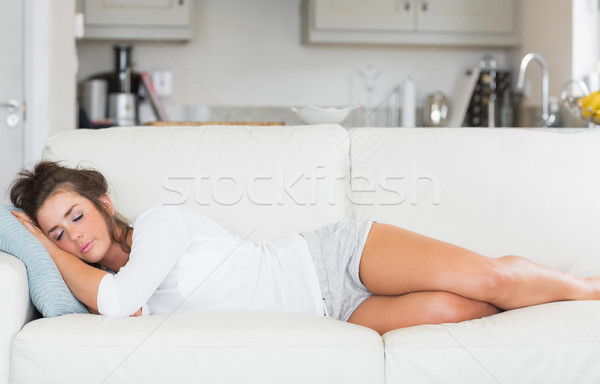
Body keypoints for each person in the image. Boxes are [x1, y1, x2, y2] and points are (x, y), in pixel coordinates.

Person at [9, 161, 600, 335]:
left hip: (332, 258)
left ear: (105, 204)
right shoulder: (113, 292)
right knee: (459, 312)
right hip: (333, 312)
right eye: (57, 233)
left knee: (491, 280)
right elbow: (115, 303)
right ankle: (559, 304)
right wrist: (43, 247)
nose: (74, 236)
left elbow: (117, 301)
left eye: (76, 215)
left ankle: (587, 291)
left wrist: (43, 244)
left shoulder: (160, 225)